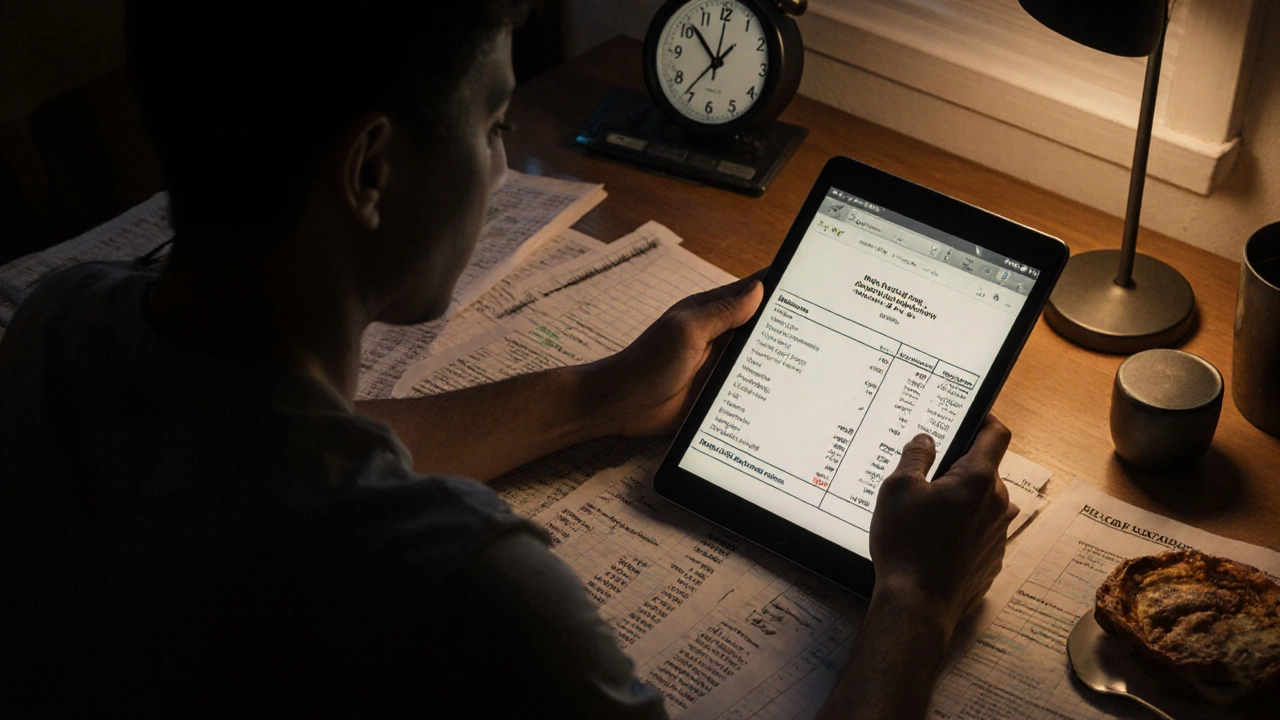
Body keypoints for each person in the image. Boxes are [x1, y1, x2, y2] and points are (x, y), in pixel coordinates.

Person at [0, 1, 1016, 717]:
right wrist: (912, 605)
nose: (499, 163)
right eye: (492, 124)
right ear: (371, 170)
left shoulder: (61, 328)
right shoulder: (460, 585)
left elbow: (267, 448)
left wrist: (599, 391)